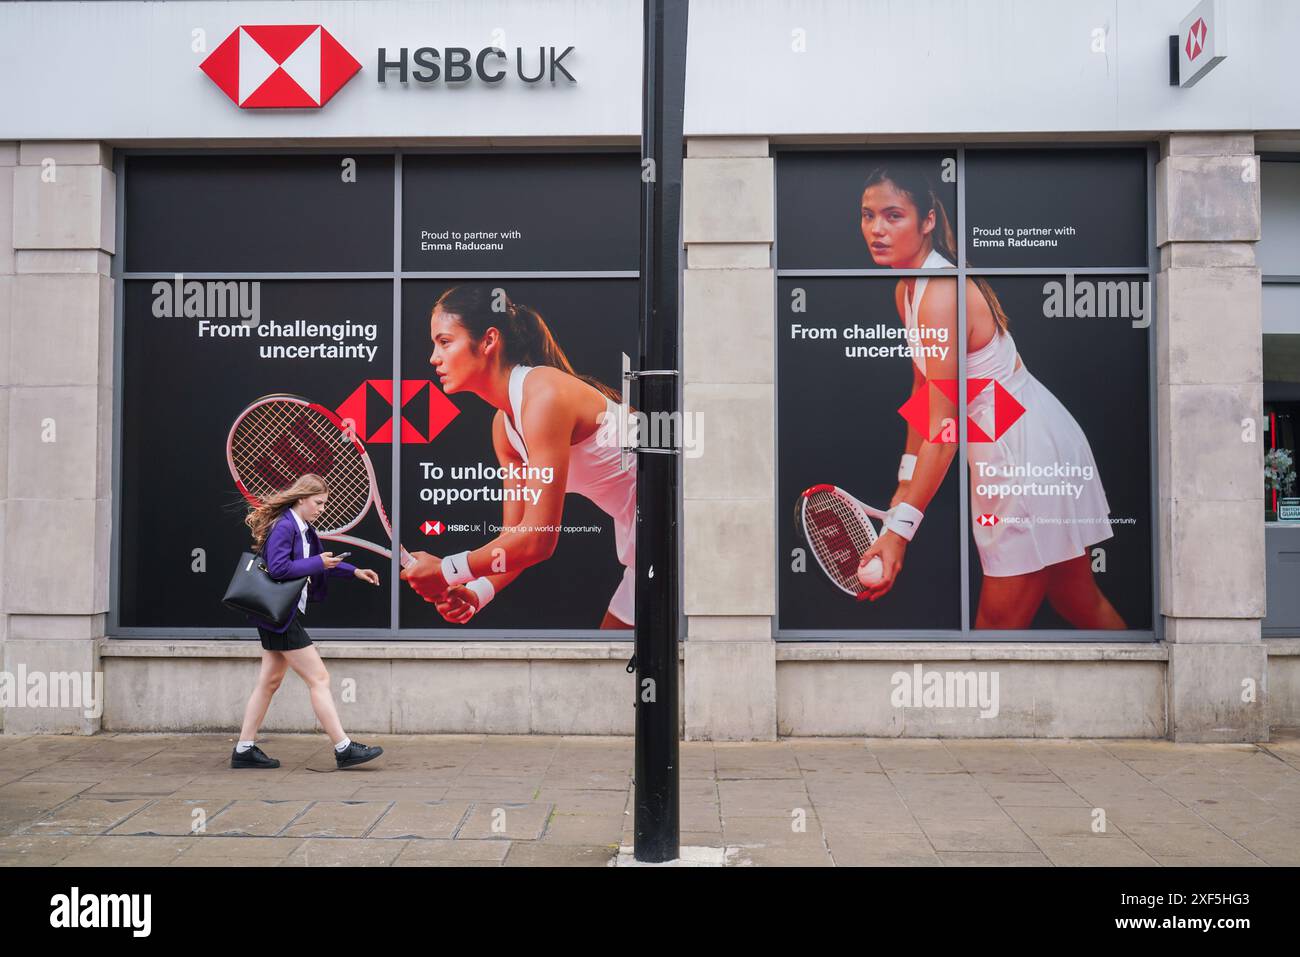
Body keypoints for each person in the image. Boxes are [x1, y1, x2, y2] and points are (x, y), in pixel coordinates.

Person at [854, 166, 1126, 629]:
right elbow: (924, 392)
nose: (877, 229)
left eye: (893, 215)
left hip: (1020, 448)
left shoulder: (940, 294)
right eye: (868, 215)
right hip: (1017, 433)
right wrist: (906, 480)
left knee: (995, 630)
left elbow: (946, 425)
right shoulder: (909, 290)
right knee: (1077, 599)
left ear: (927, 222)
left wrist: (899, 531)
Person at [400, 285, 636, 628]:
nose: (433, 358)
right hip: (648, 539)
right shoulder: (504, 427)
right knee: (611, 671)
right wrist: (477, 592)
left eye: (445, 341)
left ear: (488, 341)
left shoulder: (544, 396)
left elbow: (539, 540)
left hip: (688, 521)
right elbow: (517, 537)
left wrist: (447, 569)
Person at [232, 473, 387, 769]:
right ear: (301, 498)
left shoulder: (303, 528)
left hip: (279, 616)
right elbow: (278, 569)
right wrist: (318, 563)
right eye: (318, 502)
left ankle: (243, 749)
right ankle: (343, 748)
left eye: (324, 503)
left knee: (269, 682)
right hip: (281, 617)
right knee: (319, 679)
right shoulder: (285, 526)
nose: (322, 508)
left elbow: (319, 561)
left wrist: (354, 570)